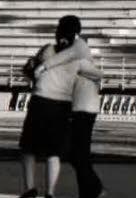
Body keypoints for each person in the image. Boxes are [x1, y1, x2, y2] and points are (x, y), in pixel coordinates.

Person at [18, 15, 100, 198]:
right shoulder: (78, 56)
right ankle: (50, 192)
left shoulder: (48, 49)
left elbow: (31, 71)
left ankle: (29, 189)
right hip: (62, 104)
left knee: (28, 148)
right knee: (53, 152)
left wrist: (34, 69)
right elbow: (92, 73)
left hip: (41, 100)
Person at [39, 31, 105, 198]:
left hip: (82, 110)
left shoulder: (76, 61)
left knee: (75, 153)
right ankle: (90, 191)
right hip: (82, 109)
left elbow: (98, 74)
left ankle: (95, 189)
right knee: (78, 154)